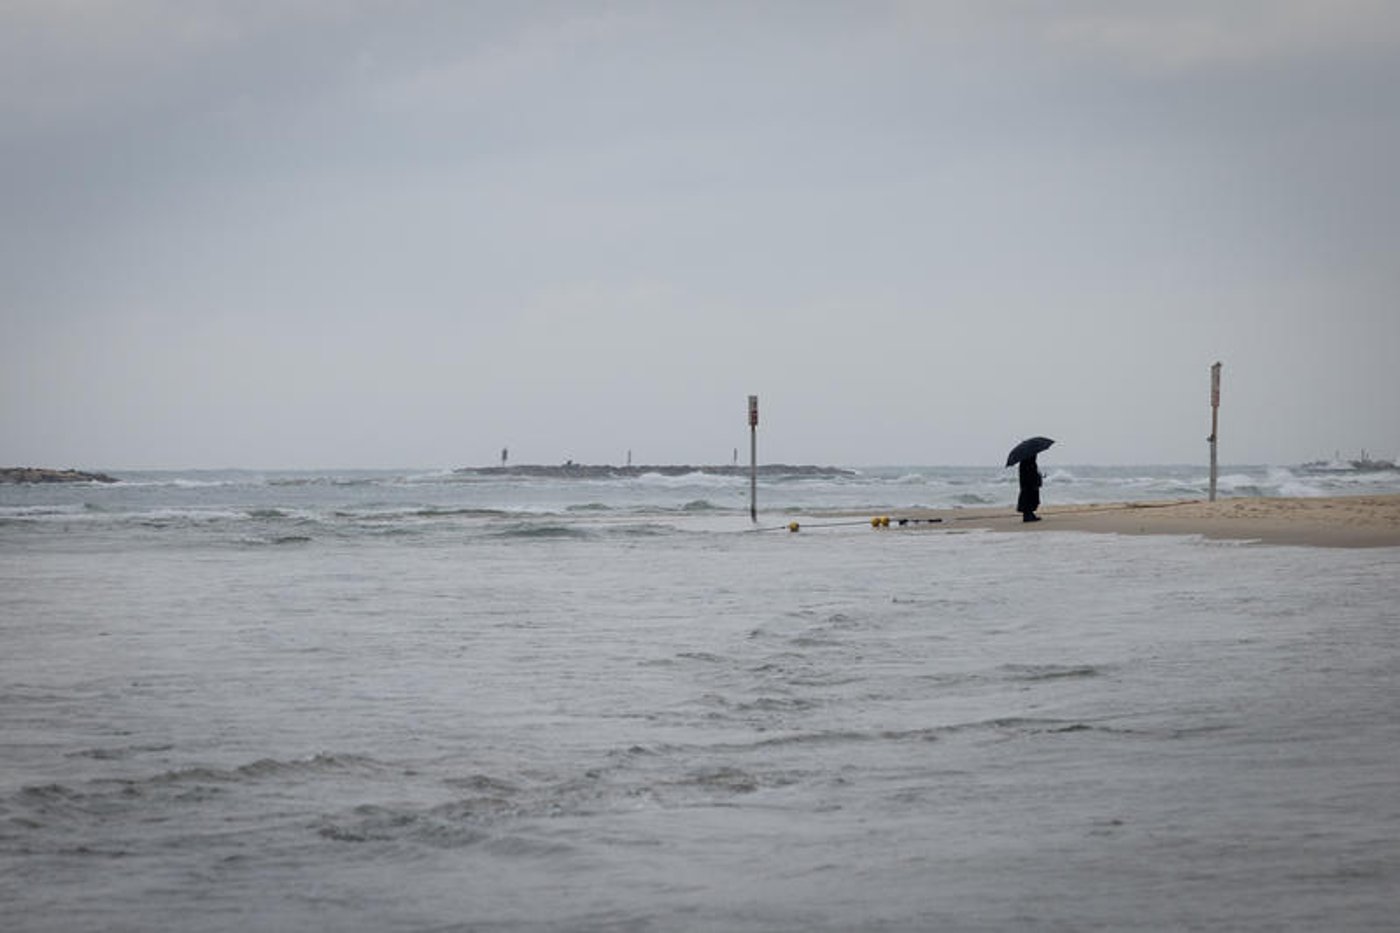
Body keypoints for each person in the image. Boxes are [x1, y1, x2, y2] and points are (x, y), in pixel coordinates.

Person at [1017, 455, 1042, 522]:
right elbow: (1029, 473)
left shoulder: (1027, 462)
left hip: (1028, 483)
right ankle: (1028, 515)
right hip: (1029, 483)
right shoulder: (1027, 462)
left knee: (1031, 498)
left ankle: (1030, 514)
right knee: (1029, 498)